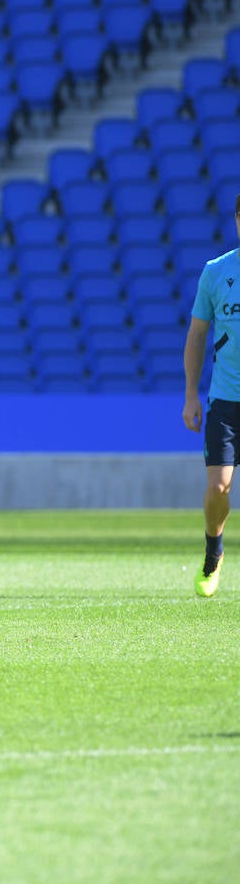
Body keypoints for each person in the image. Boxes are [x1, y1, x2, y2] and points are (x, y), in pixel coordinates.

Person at [182, 192, 240, 598]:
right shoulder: (216, 272)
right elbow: (197, 335)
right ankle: (213, 551)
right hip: (226, 399)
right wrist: (190, 394)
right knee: (219, 486)